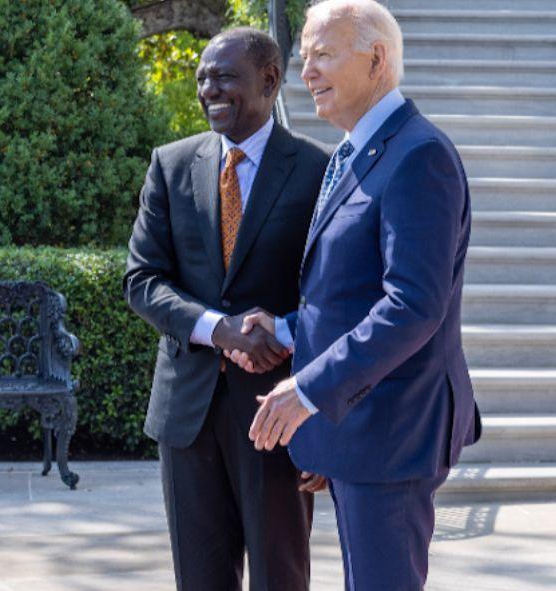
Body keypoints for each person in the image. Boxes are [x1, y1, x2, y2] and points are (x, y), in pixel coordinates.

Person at [233, 1, 482, 589]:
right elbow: (348, 292)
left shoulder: (419, 155)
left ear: (376, 60)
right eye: (303, 58)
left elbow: (414, 305)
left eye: (322, 54)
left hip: (393, 432)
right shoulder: (356, 151)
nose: (306, 72)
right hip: (361, 430)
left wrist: (310, 391)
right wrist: (289, 330)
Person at [123, 27, 330, 591]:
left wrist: (322, 416)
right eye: (202, 79)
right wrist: (220, 331)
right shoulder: (170, 165)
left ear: (269, 80)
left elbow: (331, 296)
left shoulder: (319, 171)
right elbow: (143, 280)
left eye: (225, 77)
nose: (209, 89)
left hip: (276, 413)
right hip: (187, 415)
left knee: (279, 575)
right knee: (199, 579)